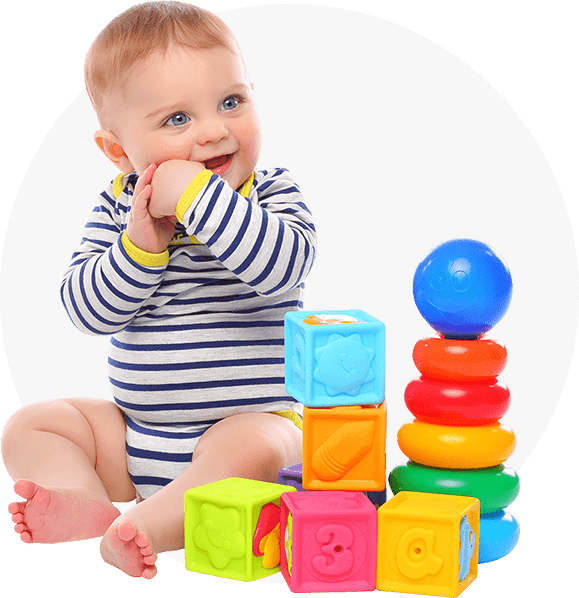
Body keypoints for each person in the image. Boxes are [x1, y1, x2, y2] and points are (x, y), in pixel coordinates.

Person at [1, 1, 316, 579]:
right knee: (32, 425)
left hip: (253, 424)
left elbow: (283, 267)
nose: (214, 130)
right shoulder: (119, 209)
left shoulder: (270, 193)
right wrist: (139, 248)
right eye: (177, 119)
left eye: (231, 102)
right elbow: (85, 310)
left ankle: (149, 525)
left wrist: (198, 195)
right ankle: (85, 501)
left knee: (258, 447)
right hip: (136, 438)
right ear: (119, 152)